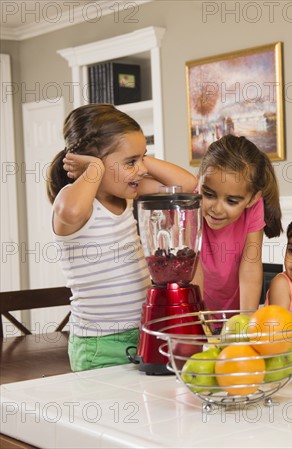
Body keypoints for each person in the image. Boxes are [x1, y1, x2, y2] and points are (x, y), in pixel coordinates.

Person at [47, 104, 198, 371]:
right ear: (88, 162)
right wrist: (94, 168)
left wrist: (140, 160)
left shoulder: (128, 197)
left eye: (142, 158)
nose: (140, 170)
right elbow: (71, 211)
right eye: (130, 162)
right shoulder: (74, 202)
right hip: (98, 342)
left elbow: (186, 185)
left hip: (141, 329)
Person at [192, 135, 282, 313]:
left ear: (252, 199)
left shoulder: (255, 208)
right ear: (199, 180)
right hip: (197, 309)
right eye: (209, 195)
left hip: (235, 312)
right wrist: (199, 320)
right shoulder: (191, 205)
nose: (217, 209)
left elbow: (250, 265)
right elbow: (194, 269)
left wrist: (247, 319)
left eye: (231, 201)